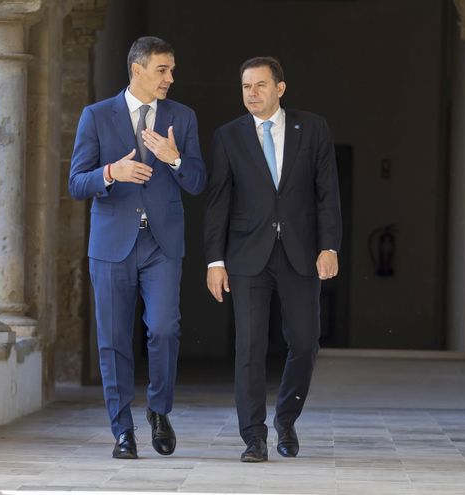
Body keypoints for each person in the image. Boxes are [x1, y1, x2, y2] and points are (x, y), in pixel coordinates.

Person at [69, 36, 206, 459]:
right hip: (111, 244)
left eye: (172, 70)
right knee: (112, 339)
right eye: (162, 70)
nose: (170, 78)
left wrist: (175, 157)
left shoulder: (182, 117)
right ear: (137, 69)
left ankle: (159, 411)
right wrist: (112, 171)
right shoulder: (96, 116)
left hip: (162, 243)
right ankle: (122, 430)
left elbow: (199, 181)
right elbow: (77, 182)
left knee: (164, 328)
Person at [204, 56, 342, 462]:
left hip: (300, 254)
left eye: (261, 85)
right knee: (248, 346)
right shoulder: (228, 137)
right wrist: (215, 260)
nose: (252, 94)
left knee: (304, 341)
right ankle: (253, 437)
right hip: (246, 257)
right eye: (246, 87)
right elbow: (217, 204)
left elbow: (327, 194)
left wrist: (329, 246)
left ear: (280, 89)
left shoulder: (312, 128)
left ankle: (286, 419)